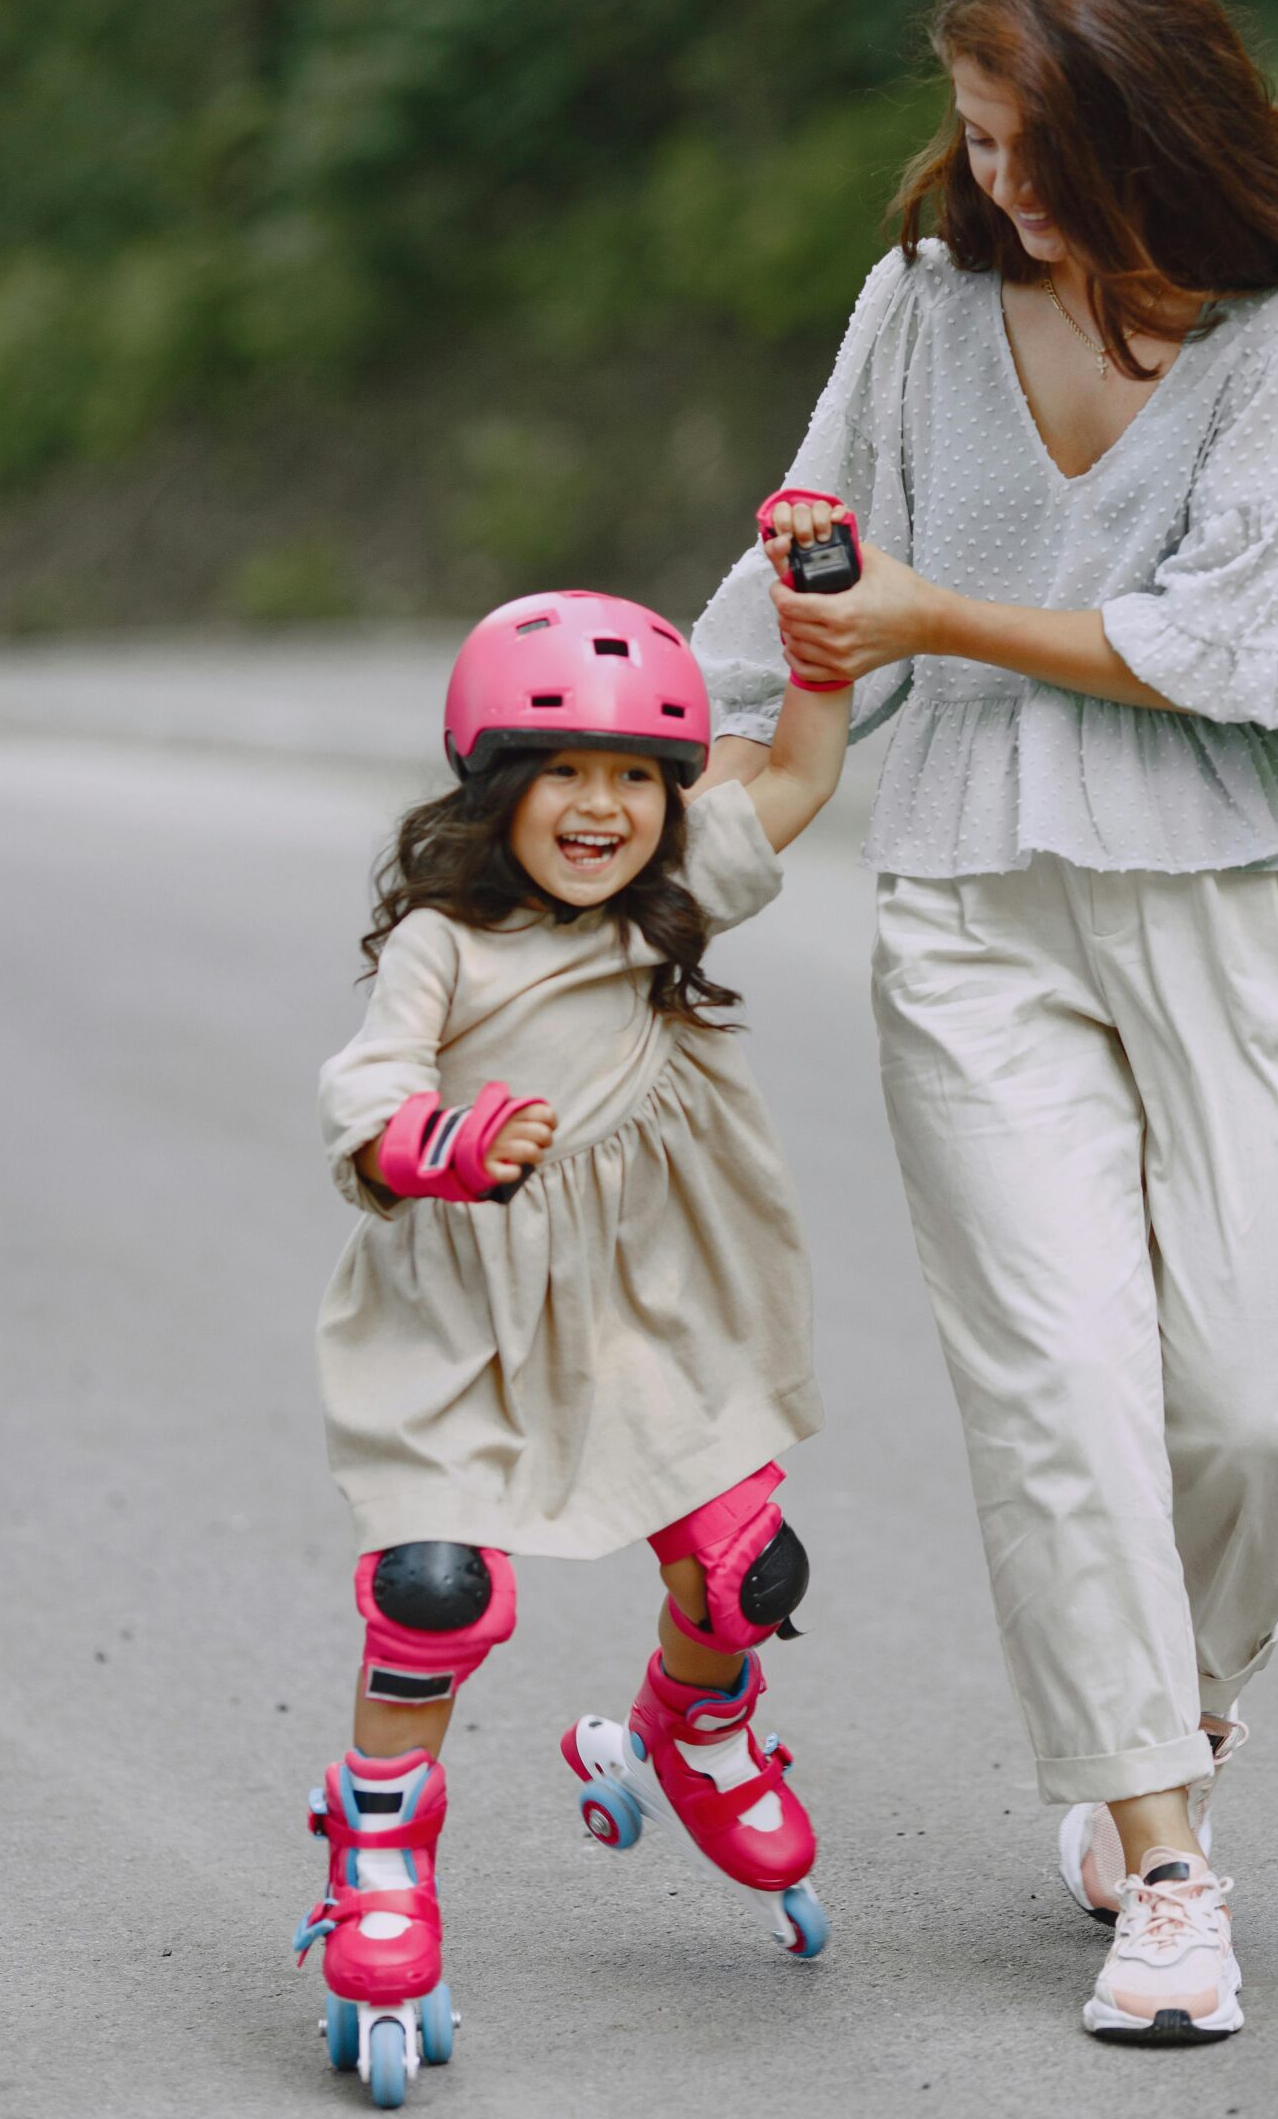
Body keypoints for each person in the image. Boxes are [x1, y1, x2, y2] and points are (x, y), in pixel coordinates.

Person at [693, 0, 1278, 2045]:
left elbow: (1243, 645)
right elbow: (787, 589)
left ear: (1141, 123)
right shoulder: (920, 311)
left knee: (1264, 1394)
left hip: (1225, 895)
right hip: (976, 905)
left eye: (1027, 142)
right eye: (973, 135)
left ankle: (1160, 1705)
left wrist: (935, 613)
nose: (993, 180)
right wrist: (626, 788)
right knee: (1058, 1389)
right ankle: (1160, 1854)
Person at [294, 521, 852, 2099]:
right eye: (563, 774)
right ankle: (380, 1854)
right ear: (494, 788)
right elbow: (369, 1080)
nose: (603, 809)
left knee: (749, 1570)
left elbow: (801, 778)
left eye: (636, 777)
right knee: (433, 1592)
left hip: (652, 1308)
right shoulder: (442, 943)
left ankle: (696, 1717)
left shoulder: (667, 902)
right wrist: (436, 1142)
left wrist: (820, 621)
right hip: (458, 1323)